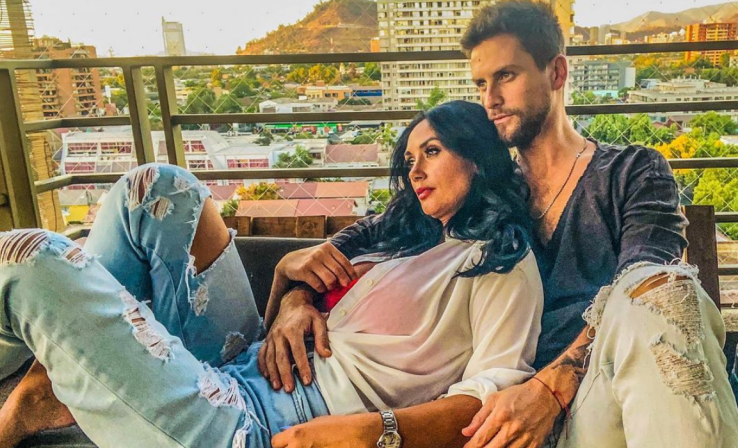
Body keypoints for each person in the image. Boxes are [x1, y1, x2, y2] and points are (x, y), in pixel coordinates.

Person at [262, 2, 738, 447]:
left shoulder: (630, 172)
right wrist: (295, 297)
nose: (490, 99)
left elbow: (648, 285)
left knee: (664, 291)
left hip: (596, 394)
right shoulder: (481, 189)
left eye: (506, 76)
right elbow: (363, 235)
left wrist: (549, 389)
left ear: (556, 72)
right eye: (480, 84)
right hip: (501, 416)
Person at [0, 101, 544, 448]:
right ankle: (50, 386)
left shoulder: (498, 263)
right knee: (159, 188)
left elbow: (493, 394)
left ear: (479, 157)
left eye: (433, 151)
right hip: (242, 362)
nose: (414, 170)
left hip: (253, 425)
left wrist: (374, 431)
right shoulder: (406, 235)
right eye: (410, 158)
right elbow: (315, 287)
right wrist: (292, 291)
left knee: (26, 258)